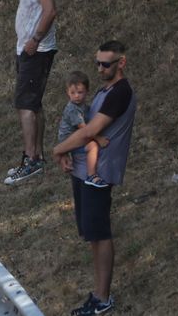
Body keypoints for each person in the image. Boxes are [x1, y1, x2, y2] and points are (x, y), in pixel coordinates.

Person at [52, 41, 137, 316]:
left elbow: (91, 131)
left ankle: (103, 298)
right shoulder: (104, 91)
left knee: (100, 234)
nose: (100, 68)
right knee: (92, 234)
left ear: (121, 63)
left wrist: (58, 149)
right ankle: (98, 294)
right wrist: (68, 152)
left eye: (106, 64)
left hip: (98, 175)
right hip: (82, 171)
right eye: (97, 63)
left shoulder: (120, 92)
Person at [3, 0, 58, 186]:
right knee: (33, 103)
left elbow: (49, 10)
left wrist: (35, 40)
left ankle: (31, 159)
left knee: (25, 105)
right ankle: (37, 156)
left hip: (36, 50)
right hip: (29, 49)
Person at [58, 71, 109, 188]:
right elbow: (84, 129)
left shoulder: (82, 106)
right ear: (68, 93)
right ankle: (92, 175)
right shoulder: (73, 109)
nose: (76, 96)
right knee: (93, 146)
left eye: (80, 92)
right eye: (73, 93)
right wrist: (98, 138)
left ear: (87, 91)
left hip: (75, 136)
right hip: (68, 139)